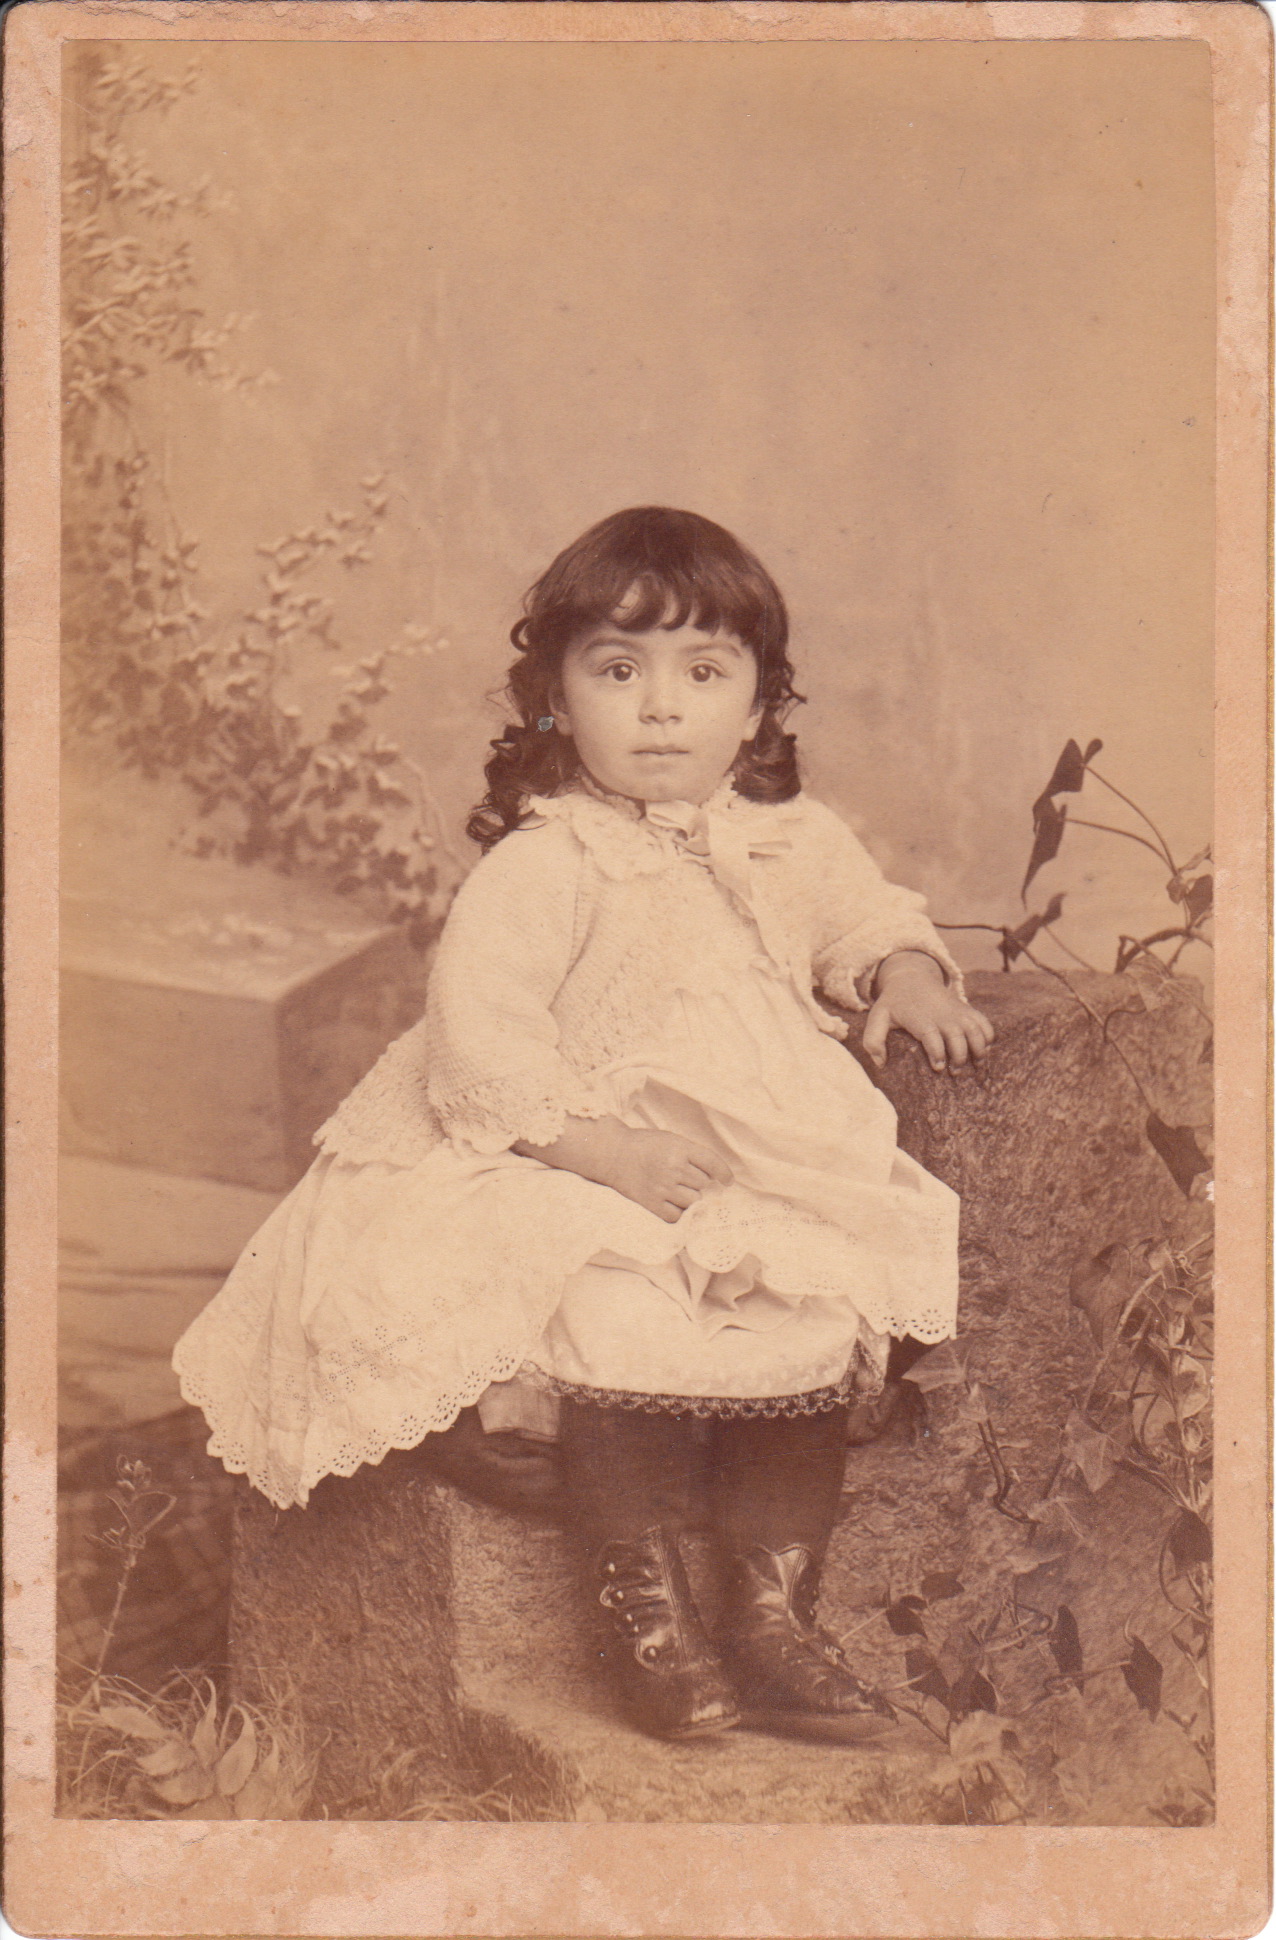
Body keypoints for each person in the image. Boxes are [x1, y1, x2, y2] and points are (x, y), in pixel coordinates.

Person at [174, 506, 993, 1746]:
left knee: (818, 1308)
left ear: (760, 707)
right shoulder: (546, 864)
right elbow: (480, 1047)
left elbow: (863, 916)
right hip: (560, 1146)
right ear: (555, 701)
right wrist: (602, 1152)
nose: (661, 708)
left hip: (743, 1161)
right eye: (618, 671)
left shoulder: (791, 836)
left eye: (702, 673)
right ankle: (645, 1621)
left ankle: (773, 1620)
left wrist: (906, 970)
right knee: (617, 1307)